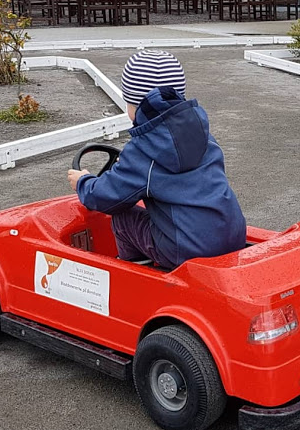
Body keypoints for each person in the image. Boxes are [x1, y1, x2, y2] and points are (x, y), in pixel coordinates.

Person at [67, 50, 246, 269]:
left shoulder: (143, 151)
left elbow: (107, 198)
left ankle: (135, 272)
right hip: (232, 236)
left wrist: (84, 182)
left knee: (123, 218)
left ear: (134, 105)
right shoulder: (204, 136)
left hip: (186, 251)